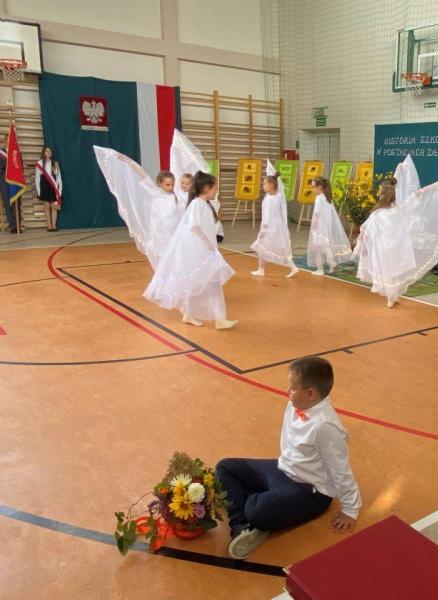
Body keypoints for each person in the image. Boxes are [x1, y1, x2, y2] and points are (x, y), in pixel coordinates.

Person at [216, 357, 362, 560]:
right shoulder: (296, 404)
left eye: (292, 388)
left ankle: (246, 516)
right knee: (225, 467)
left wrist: (351, 508)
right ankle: (242, 526)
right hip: (282, 469)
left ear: (310, 394)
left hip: (308, 490)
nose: (287, 391)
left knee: (254, 510)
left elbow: (340, 468)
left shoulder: (325, 426)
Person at [143, 171, 237, 329]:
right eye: (215, 188)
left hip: (206, 251)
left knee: (207, 283)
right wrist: (208, 246)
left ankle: (198, 316)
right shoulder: (197, 204)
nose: (216, 191)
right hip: (201, 252)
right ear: (206, 188)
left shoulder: (204, 204)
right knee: (206, 282)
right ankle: (215, 318)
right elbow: (194, 227)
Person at [352, 174, 438, 308]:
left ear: (382, 196)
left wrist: (363, 247)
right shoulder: (400, 209)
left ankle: (391, 297)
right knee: (394, 271)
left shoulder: (377, 215)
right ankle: (393, 296)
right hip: (397, 246)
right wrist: (435, 186)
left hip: (384, 248)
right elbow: (418, 195)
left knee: (387, 271)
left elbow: (366, 232)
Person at [250, 164, 298, 278]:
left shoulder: (271, 199)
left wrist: (263, 229)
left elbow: (267, 215)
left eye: (264, 184)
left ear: (271, 185)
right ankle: (262, 269)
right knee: (266, 247)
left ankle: (292, 267)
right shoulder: (277, 196)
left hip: (270, 227)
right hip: (276, 226)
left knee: (263, 246)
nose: (263, 185)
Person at [306, 177, 351, 276]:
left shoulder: (319, 198)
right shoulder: (327, 198)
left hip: (319, 226)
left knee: (318, 248)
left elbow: (317, 213)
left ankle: (321, 268)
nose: (312, 189)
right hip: (325, 226)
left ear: (320, 187)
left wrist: (315, 225)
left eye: (313, 187)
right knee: (325, 246)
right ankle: (330, 262)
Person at [0, 134, 21, 234]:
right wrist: (11, 160)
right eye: (7, 140)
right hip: (4, 179)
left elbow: (20, 166)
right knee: (7, 202)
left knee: (16, 202)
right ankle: (12, 226)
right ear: (4, 141)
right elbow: (1, 166)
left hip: (15, 180)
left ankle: (18, 225)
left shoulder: (17, 153)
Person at [35, 146, 63, 232]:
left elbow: (58, 176)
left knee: (54, 206)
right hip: (44, 185)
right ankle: (49, 226)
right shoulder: (39, 163)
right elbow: (37, 178)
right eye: (46, 151)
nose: (48, 152)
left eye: (50, 151)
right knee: (46, 206)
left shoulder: (55, 163)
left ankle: (54, 226)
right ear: (43, 152)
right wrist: (38, 190)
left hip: (53, 186)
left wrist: (59, 190)